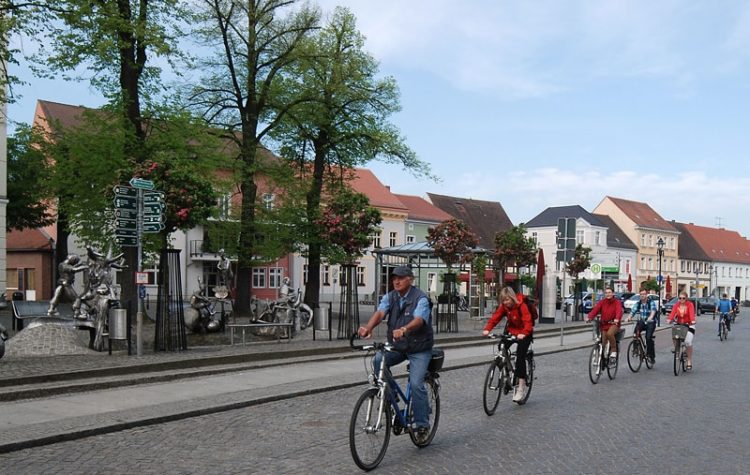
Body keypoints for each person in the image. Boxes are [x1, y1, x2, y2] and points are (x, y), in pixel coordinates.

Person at [358, 265, 433, 441]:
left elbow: (419, 320)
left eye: (400, 278)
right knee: (377, 361)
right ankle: (390, 398)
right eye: (394, 278)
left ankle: (422, 425)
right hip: (398, 347)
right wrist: (368, 327)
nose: (396, 281)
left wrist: (404, 329)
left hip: (419, 348)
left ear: (410, 279)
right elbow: (380, 312)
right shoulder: (390, 296)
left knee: (415, 384)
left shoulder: (420, 298)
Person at [482, 286, 534, 403]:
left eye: (508, 300)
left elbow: (528, 321)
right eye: (504, 300)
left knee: (520, 356)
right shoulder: (504, 307)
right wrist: (487, 329)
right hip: (512, 331)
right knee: (501, 347)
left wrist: (524, 333)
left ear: (512, 298)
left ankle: (521, 386)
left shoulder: (522, 306)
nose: (506, 302)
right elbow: (495, 317)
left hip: (525, 332)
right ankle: (506, 374)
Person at [586, 287, 623, 364]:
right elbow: (595, 310)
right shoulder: (602, 302)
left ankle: (614, 352)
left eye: (609, 292)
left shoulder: (617, 302)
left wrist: (617, 319)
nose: (608, 294)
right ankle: (603, 359)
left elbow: (619, 311)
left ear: (613, 293)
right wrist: (589, 317)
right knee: (603, 343)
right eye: (606, 293)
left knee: (610, 334)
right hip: (604, 325)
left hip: (614, 324)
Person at [626, 289, 658, 364]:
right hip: (642, 322)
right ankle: (636, 349)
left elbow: (653, 310)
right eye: (641, 294)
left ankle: (651, 355)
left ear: (646, 294)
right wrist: (629, 317)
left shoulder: (651, 302)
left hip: (651, 322)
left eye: (643, 294)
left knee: (648, 338)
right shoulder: (638, 303)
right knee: (635, 333)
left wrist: (650, 317)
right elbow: (633, 311)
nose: (642, 296)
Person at [668, 291, 696, 370]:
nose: (681, 300)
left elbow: (691, 314)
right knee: (674, 334)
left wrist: (692, 321)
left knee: (687, 342)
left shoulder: (690, 305)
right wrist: (669, 319)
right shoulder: (676, 305)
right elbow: (672, 314)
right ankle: (677, 349)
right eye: (680, 298)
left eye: (683, 298)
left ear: (686, 298)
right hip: (679, 324)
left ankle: (689, 360)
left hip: (689, 325)